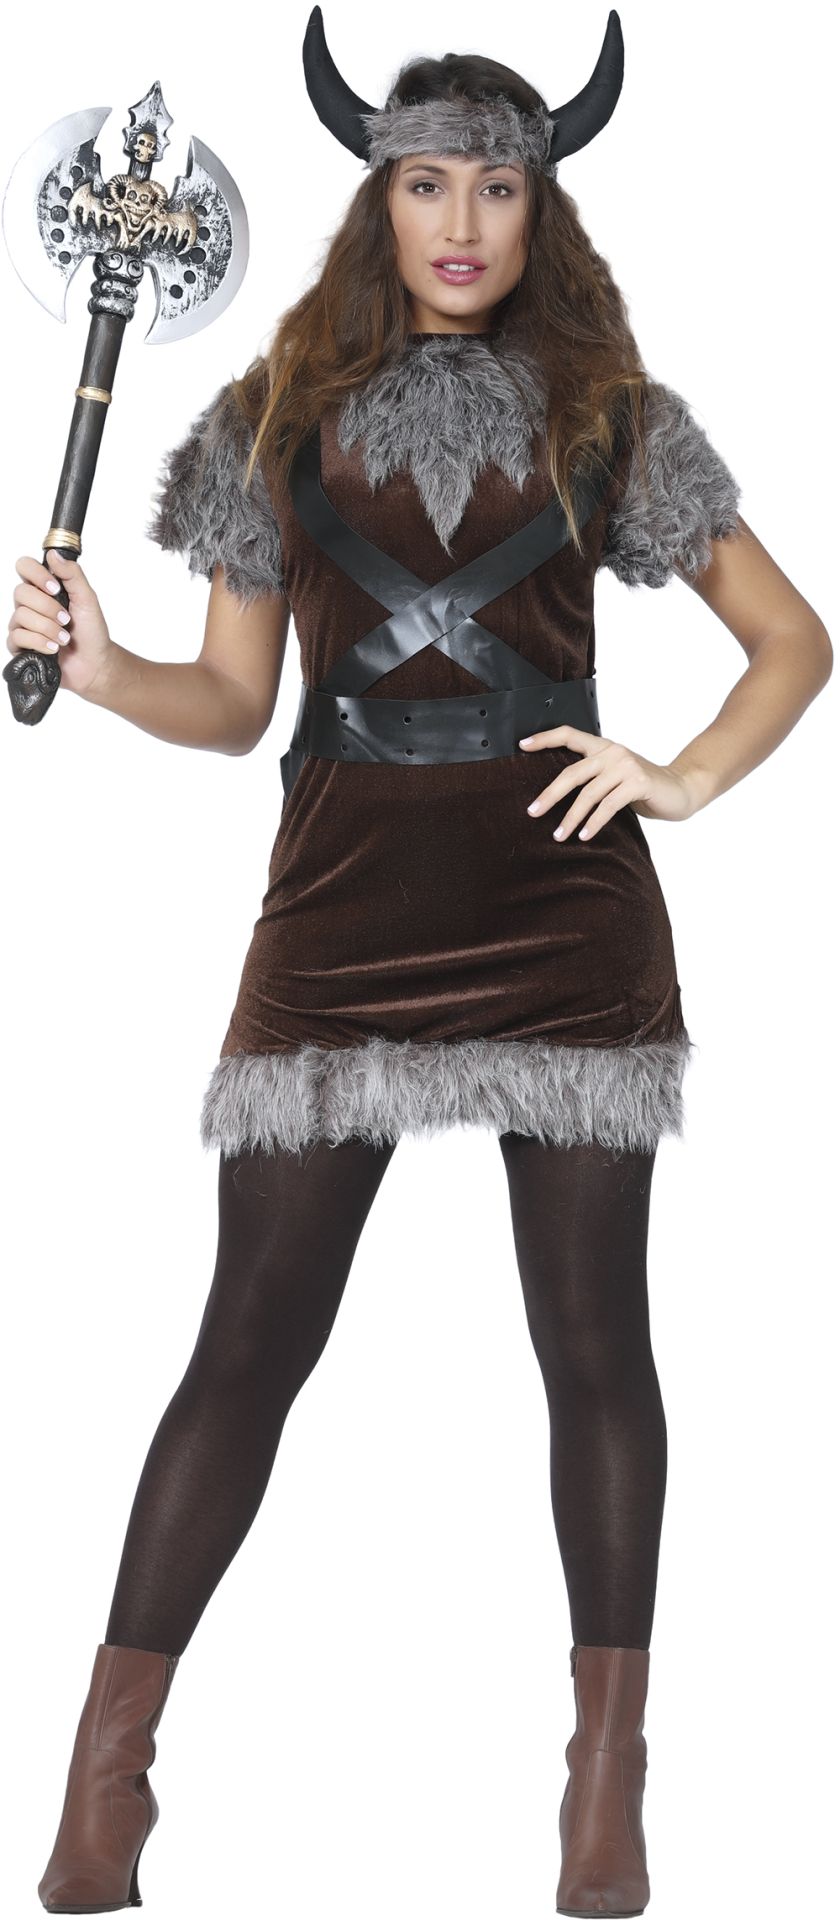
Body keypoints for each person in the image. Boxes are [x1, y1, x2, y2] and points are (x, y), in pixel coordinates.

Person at [10, 10, 831, 1916]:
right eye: (429, 181)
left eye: (499, 185)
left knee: (594, 1343)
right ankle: (104, 1782)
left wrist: (680, 776)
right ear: (378, 198)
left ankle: (606, 1794)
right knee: (248, 1344)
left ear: (544, 207)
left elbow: (793, 640)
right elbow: (236, 705)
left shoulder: (613, 414)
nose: (463, 222)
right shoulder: (271, 415)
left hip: (566, 922)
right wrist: (103, 663)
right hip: (340, 916)